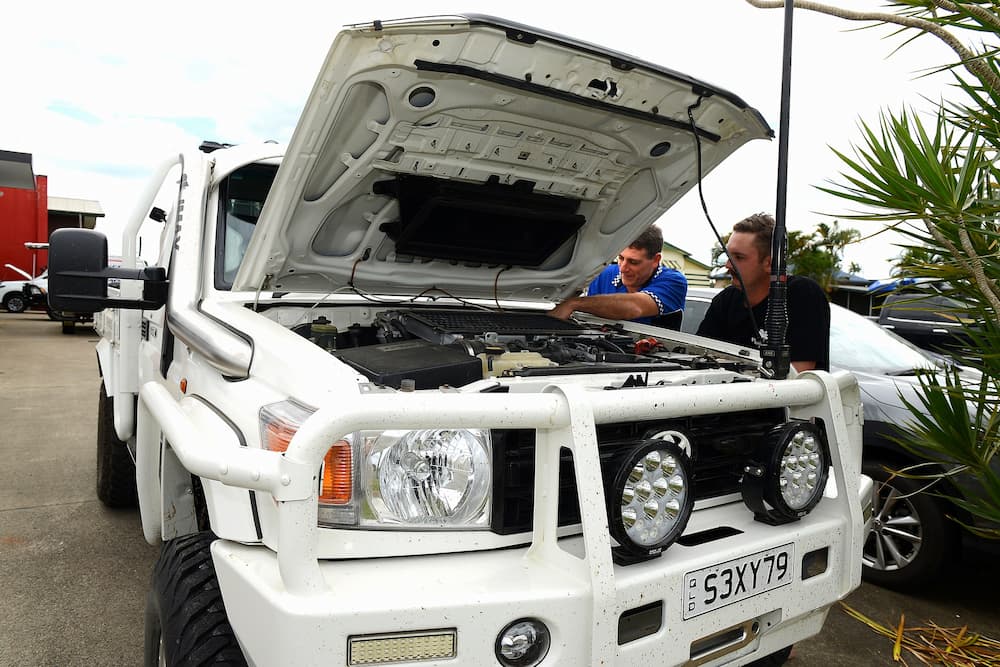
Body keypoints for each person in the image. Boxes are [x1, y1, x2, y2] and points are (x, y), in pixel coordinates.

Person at [697, 213, 830, 372]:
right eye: (728, 256)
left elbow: (799, 374)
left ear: (770, 263)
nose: (728, 265)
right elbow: (700, 357)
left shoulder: (803, 294)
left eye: (738, 257)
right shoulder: (725, 301)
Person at [549, 225, 687, 327]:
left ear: (656, 260)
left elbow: (634, 307)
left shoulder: (673, 282)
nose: (623, 268)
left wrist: (573, 303)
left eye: (633, 262)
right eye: (621, 258)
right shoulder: (603, 275)